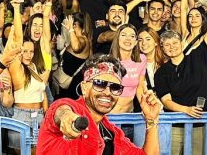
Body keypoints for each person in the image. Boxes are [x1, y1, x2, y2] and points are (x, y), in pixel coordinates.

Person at [36, 55, 164, 155]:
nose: (108, 92)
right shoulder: (68, 107)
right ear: (84, 88)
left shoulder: (112, 133)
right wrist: (67, 118)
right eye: (99, 83)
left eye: (115, 87)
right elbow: (61, 110)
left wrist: (151, 120)